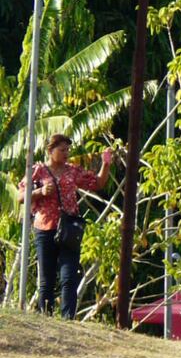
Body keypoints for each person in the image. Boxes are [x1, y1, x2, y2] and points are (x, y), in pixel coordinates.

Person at [18, 134, 114, 318]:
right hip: (45, 229)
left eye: (68, 150)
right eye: (62, 150)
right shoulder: (38, 170)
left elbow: (98, 183)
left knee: (69, 277)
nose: (66, 154)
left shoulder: (72, 171)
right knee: (46, 280)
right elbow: (20, 197)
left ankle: (67, 318)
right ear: (50, 150)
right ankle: (44, 317)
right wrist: (40, 191)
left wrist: (106, 163)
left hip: (69, 229)